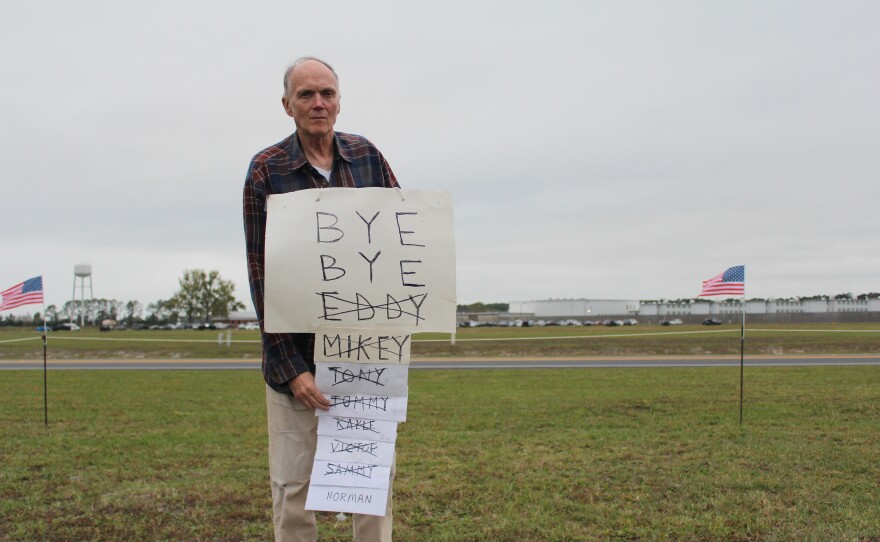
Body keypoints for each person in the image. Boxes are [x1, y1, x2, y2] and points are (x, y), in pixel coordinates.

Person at [243, 57, 399, 542]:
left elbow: (402, 241)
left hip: (366, 359)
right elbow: (261, 277)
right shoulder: (267, 171)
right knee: (293, 490)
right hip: (298, 363)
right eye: (306, 95)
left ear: (339, 100)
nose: (318, 103)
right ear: (287, 105)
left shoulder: (367, 156)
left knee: (371, 487)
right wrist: (292, 368)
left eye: (327, 93)